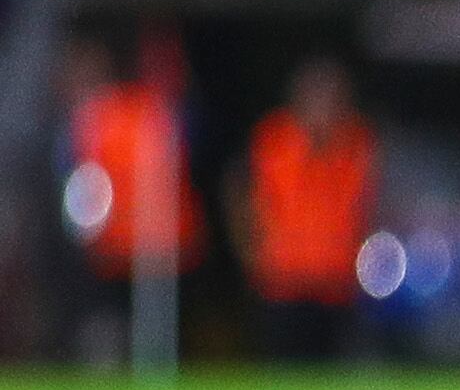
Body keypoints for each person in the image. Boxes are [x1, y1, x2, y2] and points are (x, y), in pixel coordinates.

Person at [57, 29, 206, 368]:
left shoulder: (166, 114)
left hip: (158, 244)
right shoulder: (98, 116)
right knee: (106, 326)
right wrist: (86, 229)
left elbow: (189, 156)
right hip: (110, 243)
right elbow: (81, 177)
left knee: (157, 333)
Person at [233, 55, 378, 363]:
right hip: (283, 281)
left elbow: (372, 204)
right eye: (316, 95)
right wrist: (251, 253)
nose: (323, 105)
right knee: (283, 374)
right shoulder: (272, 139)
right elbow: (241, 196)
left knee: (333, 377)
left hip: (337, 283)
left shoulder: (358, 142)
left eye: (332, 96)